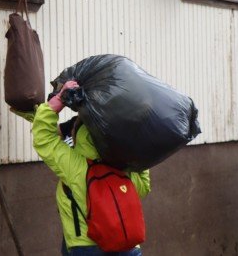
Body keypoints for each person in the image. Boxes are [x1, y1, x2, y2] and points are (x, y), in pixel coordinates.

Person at [30, 82, 151, 255]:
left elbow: (44, 137)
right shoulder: (126, 169)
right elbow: (144, 187)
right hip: (128, 247)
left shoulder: (76, 168)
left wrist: (59, 100)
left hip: (86, 247)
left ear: (80, 136)